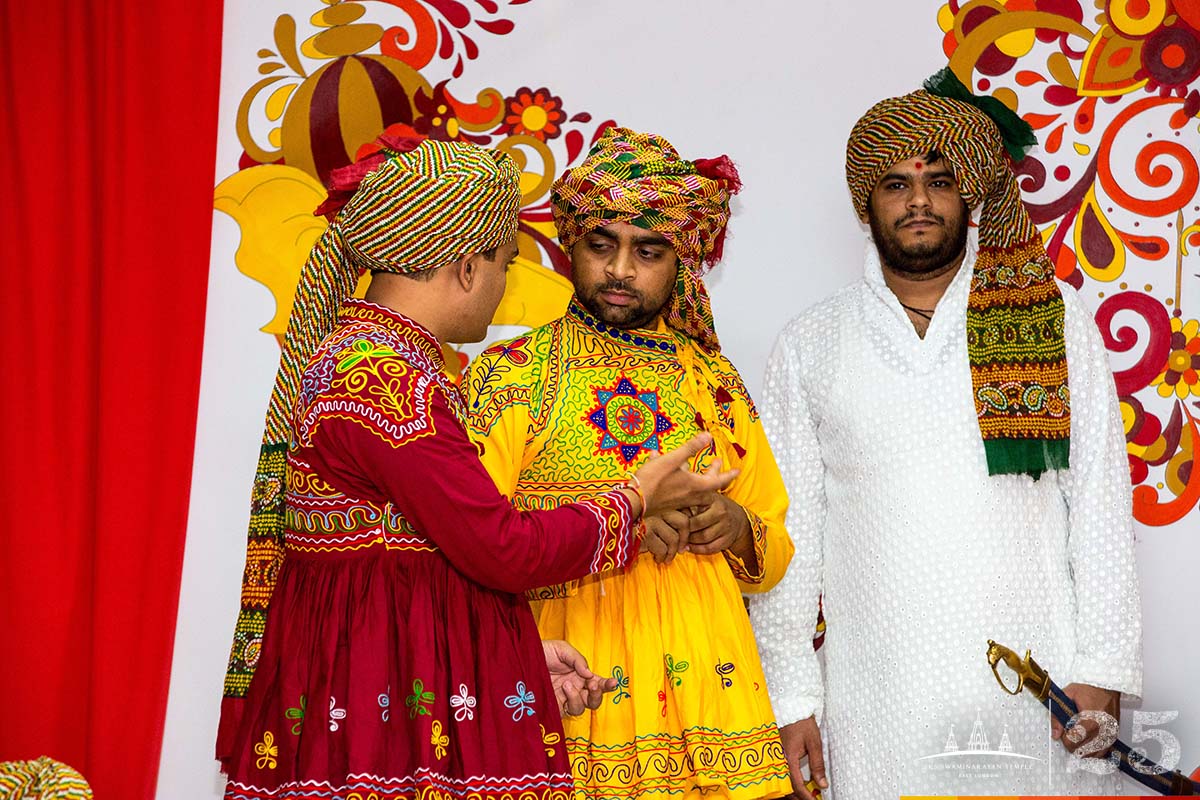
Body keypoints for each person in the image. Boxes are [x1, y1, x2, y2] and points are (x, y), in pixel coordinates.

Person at [216, 134, 737, 800]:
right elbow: (503, 550)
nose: (502, 286)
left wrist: (506, 658)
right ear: (467, 267)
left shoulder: (366, 363)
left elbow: (416, 559)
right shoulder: (385, 383)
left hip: (378, 687)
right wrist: (635, 497)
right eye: (504, 264)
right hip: (379, 718)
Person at [748, 71, 1142, 800]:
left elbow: (1098, 500)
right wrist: (793, 698)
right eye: (895, 184)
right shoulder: (812, 344)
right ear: (866, 207)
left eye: (938, 180)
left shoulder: (1048, 318)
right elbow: (789, 533)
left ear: (972, 196)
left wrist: (1107, 667)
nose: (919, 201)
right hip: (878, 699)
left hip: (1039, 686)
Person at [466, 128, 795, 799]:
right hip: (572, 686)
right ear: (570, 247)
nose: (620, 270)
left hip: (711, 700)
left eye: (647, 251)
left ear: (681, 261)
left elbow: (776, 547)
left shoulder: (715, 382)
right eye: (600, 245)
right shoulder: (512, 375)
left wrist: (732, 524)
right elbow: (468, 545)